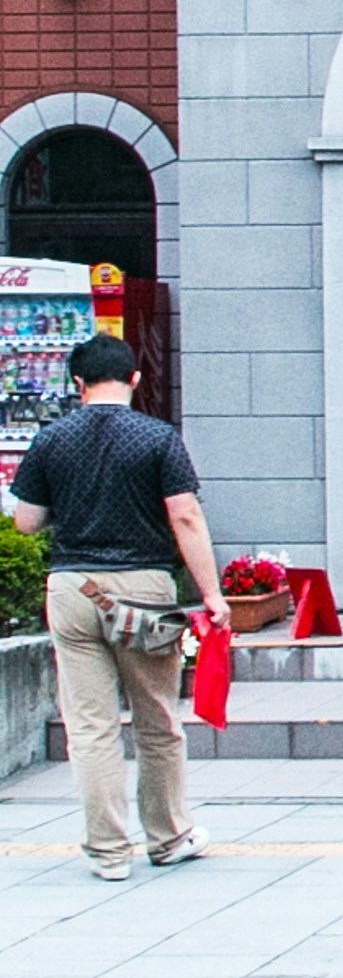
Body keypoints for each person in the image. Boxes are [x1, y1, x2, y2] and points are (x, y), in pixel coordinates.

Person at [9, 334, 227, 880]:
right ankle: (169, 836)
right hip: (145, 593)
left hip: (73, 589)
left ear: (76, 384)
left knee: (91, 728)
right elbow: (185, 518)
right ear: (134, 379)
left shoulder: (50, 439)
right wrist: (212, 594)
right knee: (156, 720)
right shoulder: (158, 438)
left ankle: (107, 853)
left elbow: (26, 522)